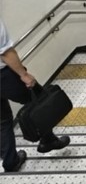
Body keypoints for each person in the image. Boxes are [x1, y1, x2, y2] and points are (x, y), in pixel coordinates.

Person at [0, 18, 70, 172]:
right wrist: (23, 74)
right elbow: (4, 52)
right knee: (38, 98)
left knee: (2, 120)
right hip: (3, 75)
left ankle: (11, 162)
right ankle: (48, 140)